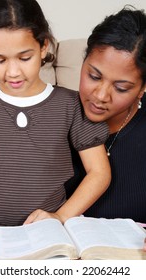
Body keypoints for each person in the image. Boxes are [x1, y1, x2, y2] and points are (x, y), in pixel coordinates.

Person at [0, 0, 111, 245]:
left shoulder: (70, 104)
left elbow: (99, 172)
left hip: (48, 237)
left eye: (24, 58)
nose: (13, 72)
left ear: (44, 46)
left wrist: (60, 216)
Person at [65, 6, 146, 227]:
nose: (100, 96)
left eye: (121, 88)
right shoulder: (51, 112)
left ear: (142, 88)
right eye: (93, 76)